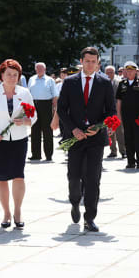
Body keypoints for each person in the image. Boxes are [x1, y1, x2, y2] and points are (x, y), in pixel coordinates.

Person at [58, 47, 116, 232]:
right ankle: (75, 202)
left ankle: (89, 218)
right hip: (75, 138)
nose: (90, 64)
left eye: (94, 61)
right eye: (87, 61)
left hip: (95, 139)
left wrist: (98, 127)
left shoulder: (105, 83)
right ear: (81, 61)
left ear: (98, 63)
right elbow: (61, 110)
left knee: (93, 179)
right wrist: (73, 129)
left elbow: (111, 111)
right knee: (74, 177)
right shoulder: (70, 82)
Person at [0, 59, 37, 229]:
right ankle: (6, 212)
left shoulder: (25, 92)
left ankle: (17, 211)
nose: (12, 78)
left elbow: (33, 117)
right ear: (1, 75)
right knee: (1, 177)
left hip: (19, 139)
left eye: (15, 75)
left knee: (19, 175)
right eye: (8, 74)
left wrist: (25, 121)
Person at [116, 61, 139, 169]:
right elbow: (118, 101)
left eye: (132, 70)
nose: (130, 72)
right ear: (125, 71)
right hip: (126, 116)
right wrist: (118, 116)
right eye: (128, 70)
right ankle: (130, 161)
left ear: (136, 71)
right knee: (128, 139)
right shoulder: (122, 84)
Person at [28, 62, 57, 161]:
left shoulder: (50, 80)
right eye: (37, 69)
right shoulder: (31, 79)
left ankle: (48, 155)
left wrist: (54, 110)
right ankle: (36, 154)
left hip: (46, 105)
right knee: (34, 131)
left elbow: (55, 96)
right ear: (35, 69)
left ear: (45, 70)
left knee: (47, 131)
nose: (39, 70)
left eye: (41, 69)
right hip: (34, 105)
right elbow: (28, 94)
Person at [105, 65, 126, 159]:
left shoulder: (119, 82)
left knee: (120, 132)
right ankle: (113, 151)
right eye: (107, 72)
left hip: (118, 110)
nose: (109, 74)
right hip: (107, 111)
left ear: (114, 73)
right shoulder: (103, 82)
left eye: (111, 72)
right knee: (110, 132)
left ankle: (123, 151)